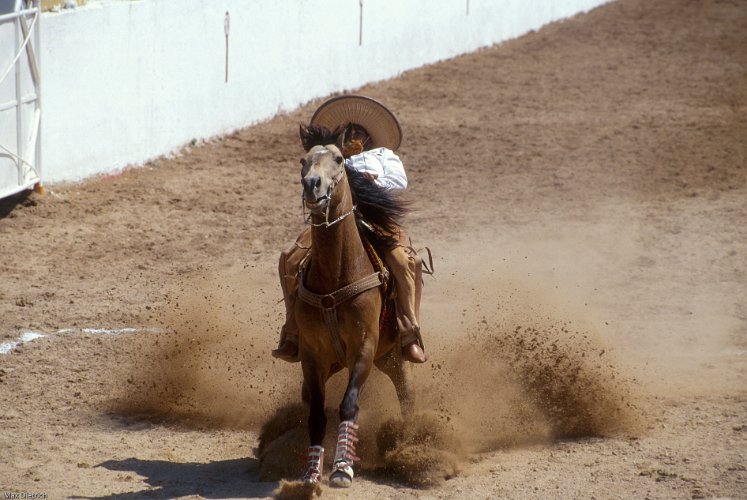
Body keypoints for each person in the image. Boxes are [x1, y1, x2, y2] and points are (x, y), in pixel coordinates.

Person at [273, 95, 428, 364]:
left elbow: (399, 183)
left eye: (359, 132)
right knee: (290, 258)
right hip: (333, 218)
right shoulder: (328, 158)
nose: (354, 136)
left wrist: (374, 180)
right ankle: (293, 331)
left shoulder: (384, 156)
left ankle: (409, 332)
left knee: (405, 263)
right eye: (349, 132)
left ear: (368, 137)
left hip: (376, 218)